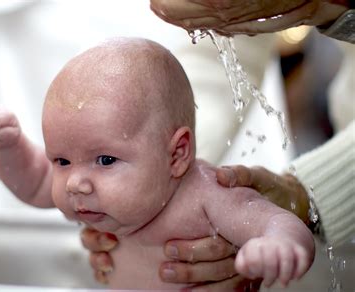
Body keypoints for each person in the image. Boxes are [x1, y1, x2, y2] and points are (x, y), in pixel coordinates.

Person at [0, 37, 315, 290]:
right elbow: (35, 184)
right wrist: (7, 147)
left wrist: (276, 246)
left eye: (105, 160)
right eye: (62, 160)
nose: (75, 183)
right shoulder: (92, 199)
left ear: (177, 155)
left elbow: (281, 221)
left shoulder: (207, 196)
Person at [85, 0, 354, 288]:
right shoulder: (133, 187)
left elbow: (285, 229)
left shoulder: (217, 198)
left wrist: (311, 197)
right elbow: (216, 45)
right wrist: (157, 164)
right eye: (62, 161)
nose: (77, 182)